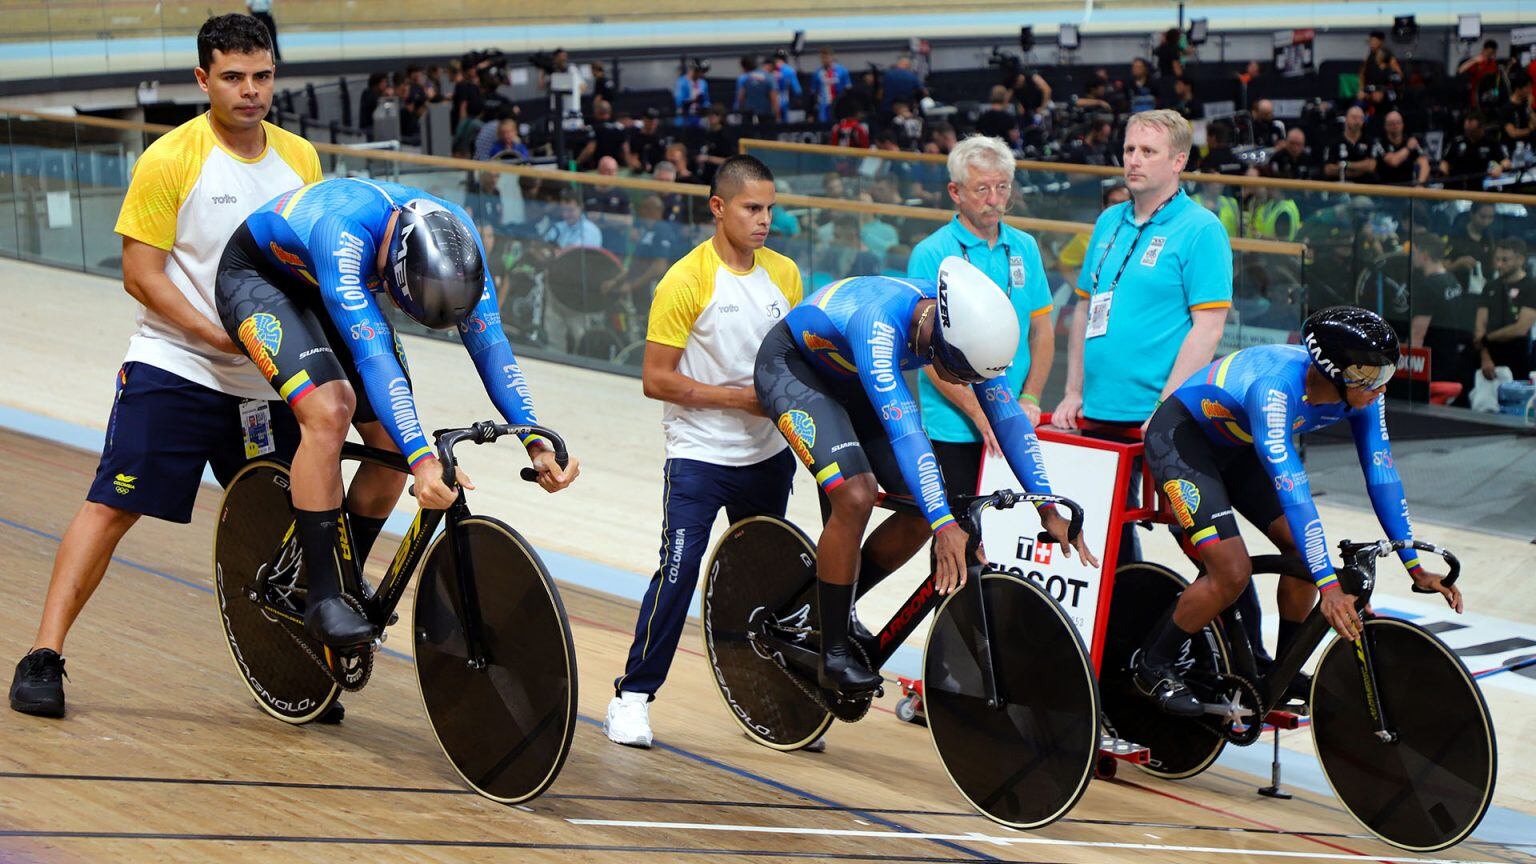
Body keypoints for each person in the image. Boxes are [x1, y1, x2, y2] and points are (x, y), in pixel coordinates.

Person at [8, 14, 320, 720]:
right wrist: (217, 336)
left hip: (261, 386)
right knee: (113, 505)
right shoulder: (170, 159)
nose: (250, 91)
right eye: (233, 77)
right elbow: (141, 275)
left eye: (262, 76)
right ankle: (43, 656)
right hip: (174, 368)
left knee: (282, 531)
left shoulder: (300, 158)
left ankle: (294, 666)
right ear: (202, 78)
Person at [213, 177, 580, 648]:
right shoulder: (341, 231)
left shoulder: (459, 240)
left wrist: (537, 441)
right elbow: (374, 356)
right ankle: (321, 595)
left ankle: (346, 574)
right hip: (261, 280)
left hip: (334, 283)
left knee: (390, 439)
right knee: (331, 410)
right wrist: (423, 459)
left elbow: (492, 347)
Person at [755, 258, 1097, 692]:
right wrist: (944, 525)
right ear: (944, 345)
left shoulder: (965, 331)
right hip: (794, 369)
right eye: (966, 374)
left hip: (851, 375)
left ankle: (829, 614)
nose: (971, 384)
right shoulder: (878, 323)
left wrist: (1047, 507)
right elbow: (906, 431)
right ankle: (834, 654)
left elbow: (1008, 417)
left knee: (921, 509)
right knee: (857, 496)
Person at [1135, 308, 1462, 715]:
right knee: (1231, 570)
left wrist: (1414, 566)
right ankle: (1153, 663)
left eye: (1386, 374)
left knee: (1300, 549)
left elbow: (1382, 475)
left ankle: (1282, 672)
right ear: (1335, 372)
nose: (1382, 387)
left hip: (1238, 446)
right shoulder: (1274, 389)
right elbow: (1295, 492)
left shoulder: (1364, 395)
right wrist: (1328, 586)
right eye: (1372, 376)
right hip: (1184, 441)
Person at [605, 156, 802, 748]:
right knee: (680, 570)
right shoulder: (685, 280)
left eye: (770, 208)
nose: (764, 219)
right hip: (698, 457)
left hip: (768, 457)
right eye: (752, 208)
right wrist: (742, 401)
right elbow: (656, 380)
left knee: (766, 586)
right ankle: (632, 697)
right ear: (718, 208)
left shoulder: (784, 274)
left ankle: (772, 699)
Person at [1052, 107, 1231, 588]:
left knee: (1202, 542)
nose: (1133, 160)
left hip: (1161, 416)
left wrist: (1166, 407)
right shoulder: (1110, 221)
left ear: (1177, 161)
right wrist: (1072, 391)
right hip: (1100, 411)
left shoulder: (1201, 229)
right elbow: (1087, 312)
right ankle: (1118, 637)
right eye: (1130, 149)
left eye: (1147, 151)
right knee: (1106, 534)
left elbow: (1208, 328)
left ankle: (1250, 652)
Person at [908, 135, 1053, 501]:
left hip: (1013, 415)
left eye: (1002, 187)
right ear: (955, 192)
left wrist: (1031, 397)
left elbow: (1042, 329)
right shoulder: (931, 252)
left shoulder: (1025, 246)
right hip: (954, 425)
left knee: (1011, 534)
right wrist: (978, 412)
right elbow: (923, 352)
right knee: (959, 536)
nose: (994, 200)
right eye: (982, 189)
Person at [1408, 231, 1478, 400]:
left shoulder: (1428, 287)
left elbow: (1418, 335)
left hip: (1434, 363)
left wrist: (1409, 371)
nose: (1411, 256)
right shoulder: (1451, 279)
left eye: (1414, 252)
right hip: (1451, 357)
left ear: (1424, 255)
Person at [1473, 237, 1536, 382]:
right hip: (1489, 358)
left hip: (1518, 359)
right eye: (1497, 259)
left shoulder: (1531, 287)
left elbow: (1521, 328)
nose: (1499, 265)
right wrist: (1485, 356)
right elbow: (1480, 324)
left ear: (1520, 260)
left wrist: (1487, 338)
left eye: (1505, 260)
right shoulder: (1490, 286)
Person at [1439, 113, 1511, 190]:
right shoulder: (1456, 142)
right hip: (1456, 185)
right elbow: (1444, 162)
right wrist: (1444, 172)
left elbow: (1507, 162)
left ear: (1481, 128)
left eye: (1472, 131)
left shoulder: (1491, 142)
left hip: (1479, 186)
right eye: (1467, 130)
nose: (1468, 133)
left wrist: (1500, 168)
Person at [1370, 110, 1429, 186]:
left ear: (1403, 125)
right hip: (1385, 190)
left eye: (1398, 122)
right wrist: (1408, 148)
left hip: (1407, 189)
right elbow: (1393, 161)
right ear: (1386, 126)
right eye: (1392, 123)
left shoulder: (1409, 141)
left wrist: (1420, 184)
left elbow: (1424, 163)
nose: (1395, 125)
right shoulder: (1380, 144)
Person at [1324, 105, 1376, 181]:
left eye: (1361, 118)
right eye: (1354, 118)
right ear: (1346, 119)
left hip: (1364, 188)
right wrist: (1360, 168)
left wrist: (1346, 164)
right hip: (1340, 187)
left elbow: (1371, 166)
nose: (1357, 122)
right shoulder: (1334, 141)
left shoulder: (1369, 141)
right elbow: (1328, 169)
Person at [735, 55, 779, 127]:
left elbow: (740, 98)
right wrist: (777, 116)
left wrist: (740, 112)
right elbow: (774, 99)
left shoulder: (745, 78)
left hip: (750, 115)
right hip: (766, 116)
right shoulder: (769, 78)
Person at [814, 46, 852, 124]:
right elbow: (814, 91)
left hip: (839, 106)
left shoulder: (842, 71)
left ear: (832, 57)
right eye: (822, 58)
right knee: (823, 128)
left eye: (826, 57)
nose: (824, 60)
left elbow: (849, 89)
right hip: (823, 107)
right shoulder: (817, 73)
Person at [674, 59, 711, 129]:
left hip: (699, 116)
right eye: (696, 71)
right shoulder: (681, 82)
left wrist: (705, 106)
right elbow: (679, 102)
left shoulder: (703, 83)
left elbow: (707, 100)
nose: (698, 74)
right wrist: (693, 100)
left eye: (699, 71)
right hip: (684, 116)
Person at [770, 49, 803, 122]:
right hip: (785, 103)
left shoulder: (770, 70)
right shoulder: (789, 70)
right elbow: (797, 90)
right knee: (785, 129)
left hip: (772, 104)